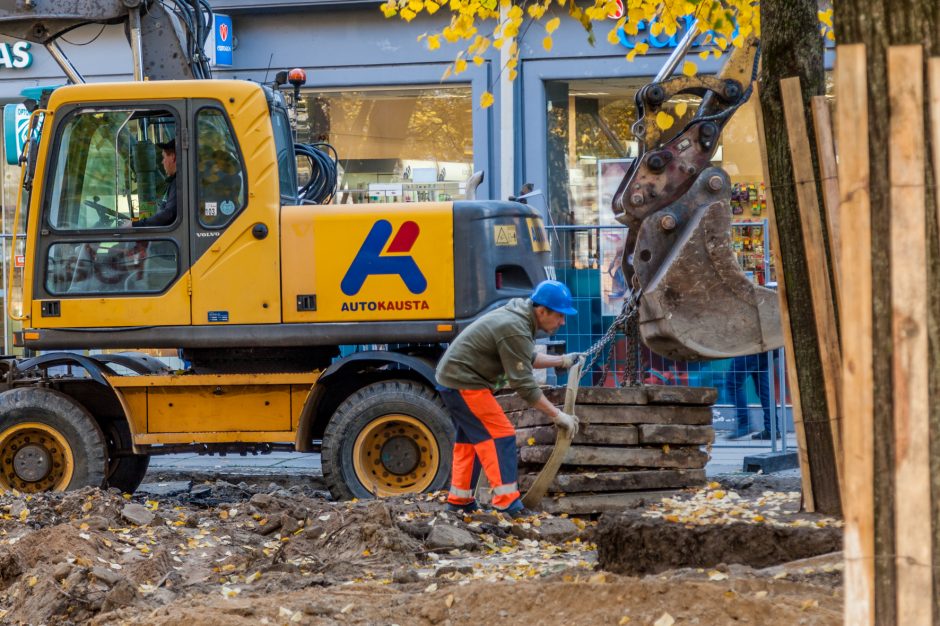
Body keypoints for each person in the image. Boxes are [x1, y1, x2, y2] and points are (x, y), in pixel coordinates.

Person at [435, 279, 583, 518]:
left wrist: (562, 360)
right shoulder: (515, 326)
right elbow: (525, 386)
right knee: (500, 434)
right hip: (464, 382)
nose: (562, 321)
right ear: (542, 310)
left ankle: (460, 501)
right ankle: (507, 503)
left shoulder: (519, 317)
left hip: (454, 379)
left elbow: (525, 356)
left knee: (470, 442)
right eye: (559, 315)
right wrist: (558, 416)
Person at [728, 351, 776, 439]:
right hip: (766, 349)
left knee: (733, 384)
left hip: (750, 349)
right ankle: (772, 429)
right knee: (764, 390)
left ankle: (744, 423)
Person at [133, 139, 177, 227]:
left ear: (172, 157)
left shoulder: (178, 184)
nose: (162, 162)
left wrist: (135, 225)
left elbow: (168, 215)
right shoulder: (175, 182)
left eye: (164, 157)